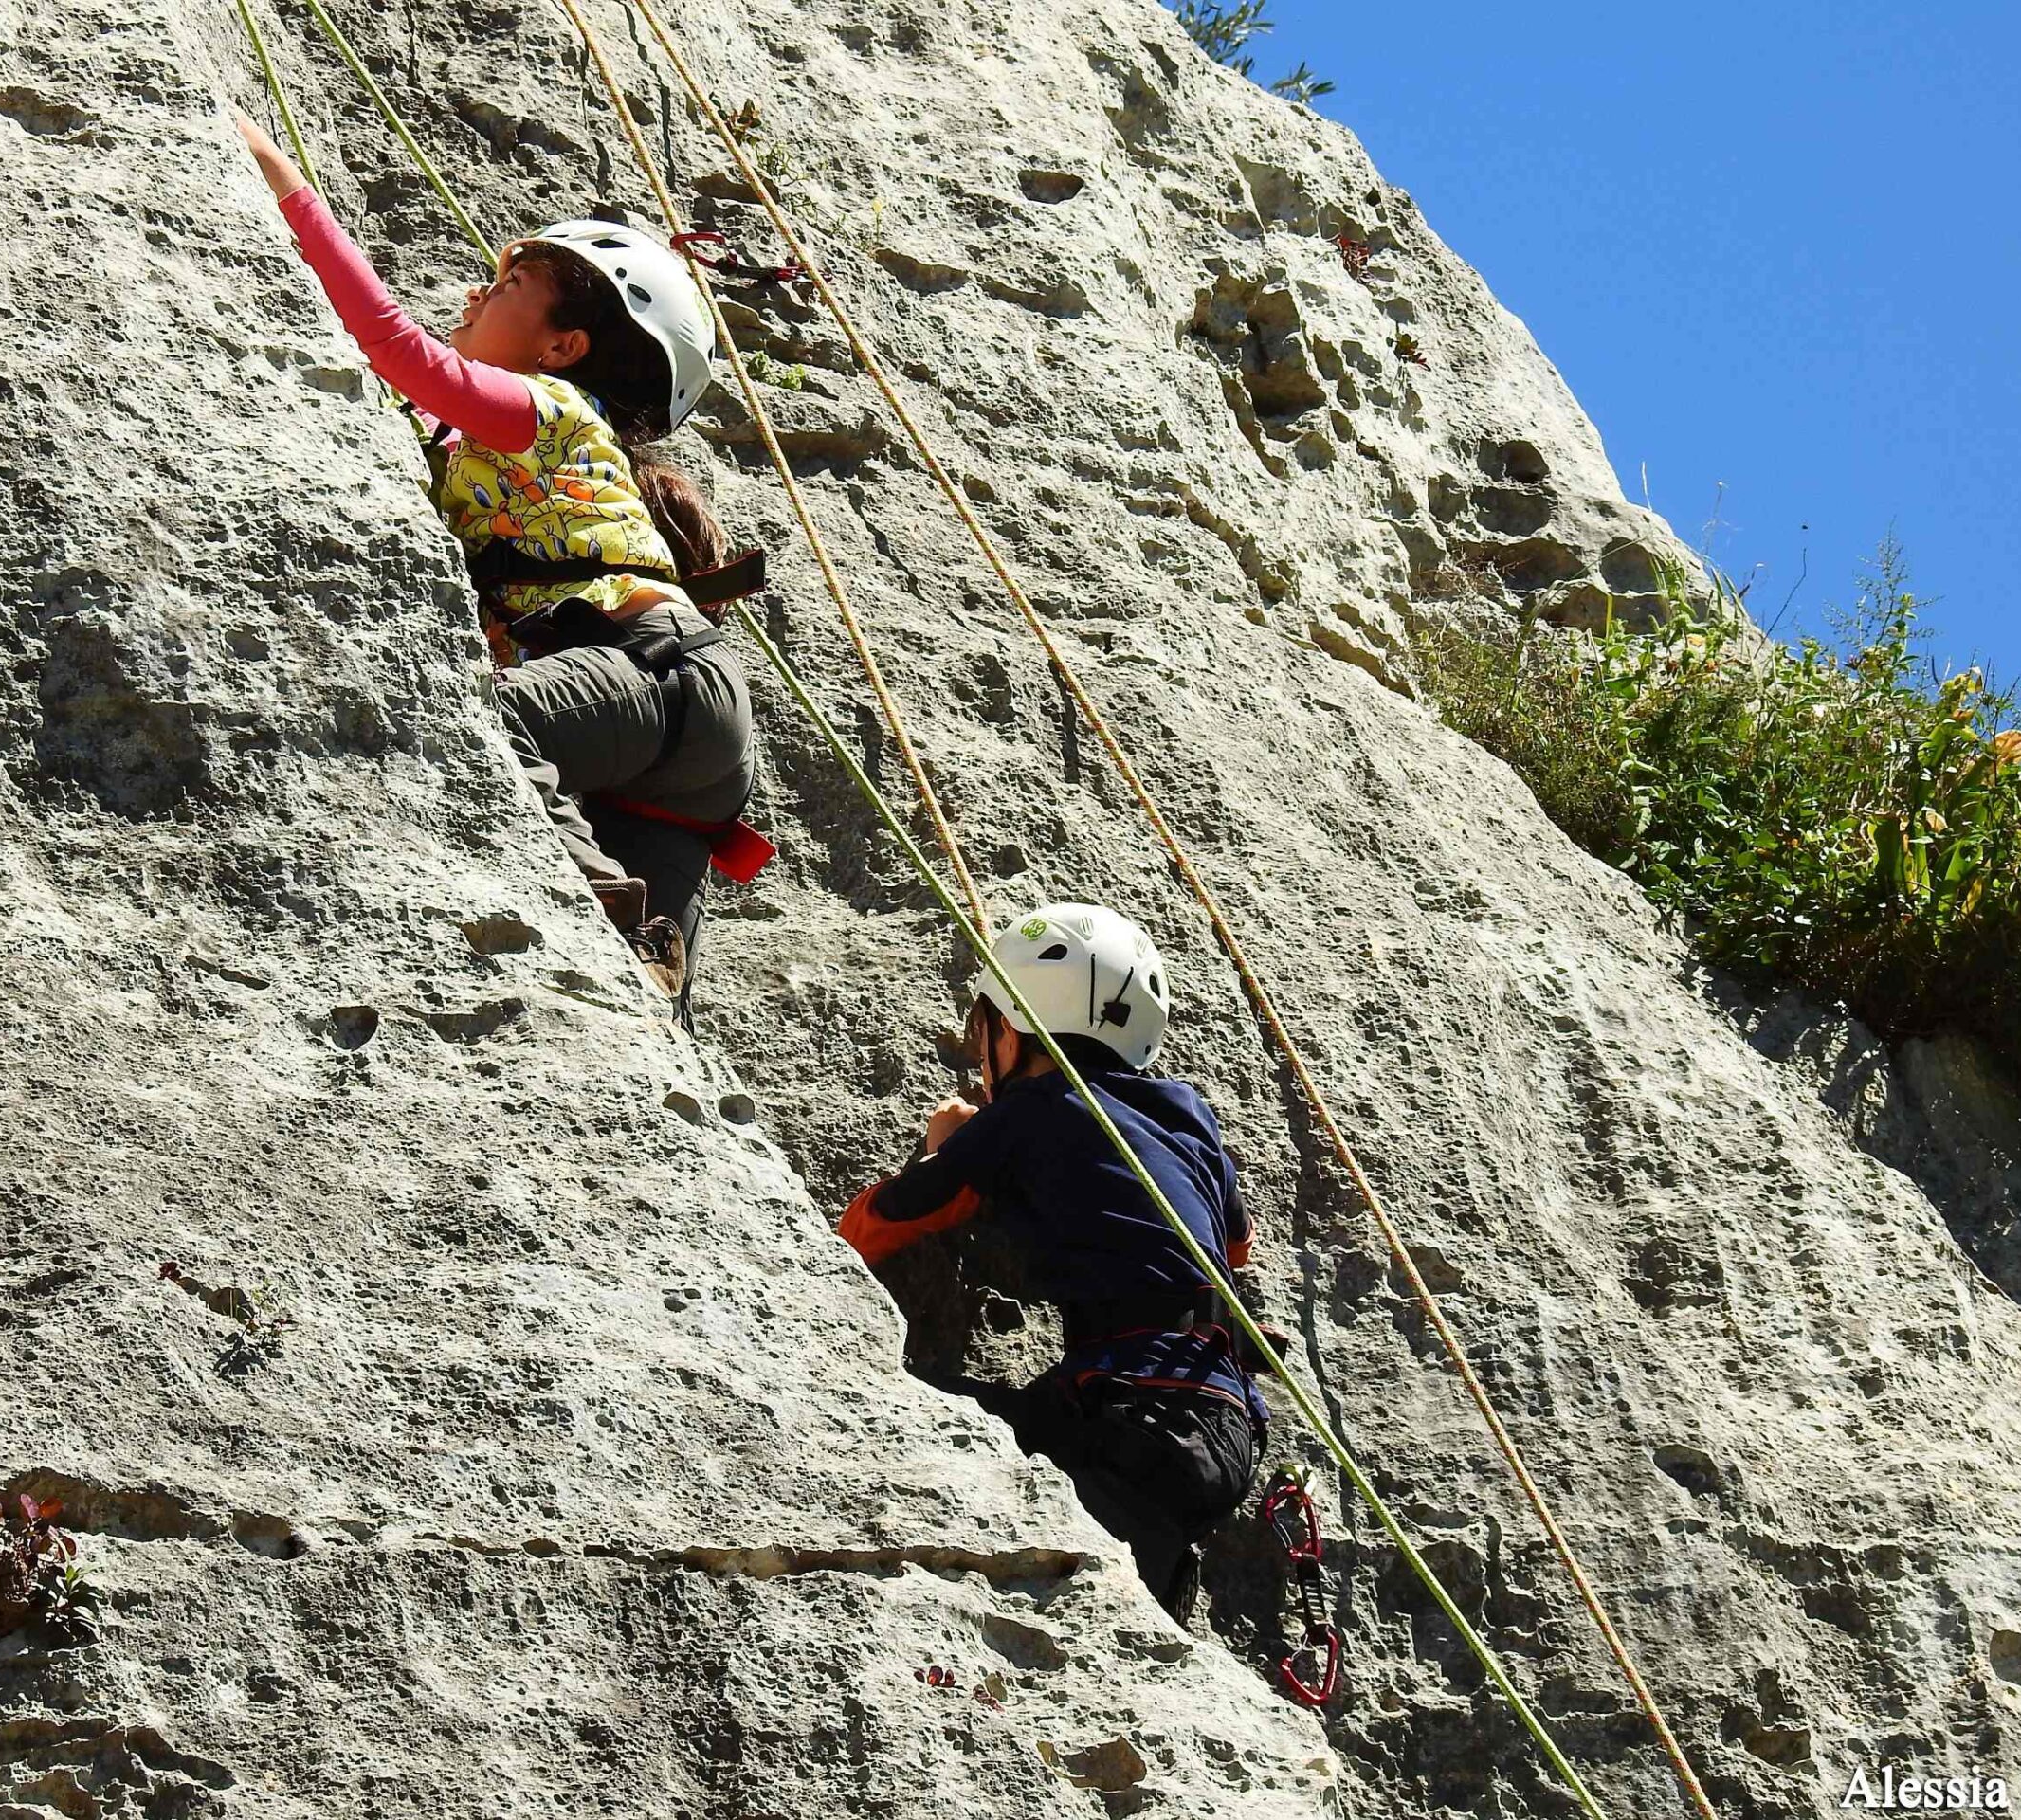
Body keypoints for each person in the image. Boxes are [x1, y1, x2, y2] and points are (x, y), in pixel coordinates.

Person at [232, 111, 762, 1017]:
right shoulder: (503, 454)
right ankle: (644, 971)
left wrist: (288, 189)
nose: (479, 294)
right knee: (653, 1011)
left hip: (646, 671)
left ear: (564, 349)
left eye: (511, 283)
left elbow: (400, 352)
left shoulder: (551, 410)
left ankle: (621, 923)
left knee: (485, 726)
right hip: (685, 733)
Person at [837, 903, 1266, 1620]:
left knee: (895, 1415)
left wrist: (945, 1148)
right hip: (1222, 1419)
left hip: (1131, 1420)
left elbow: (869, 1229)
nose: (981, 1053)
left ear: (1010, 1032)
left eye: (983, 1030)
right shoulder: (1187, 1111)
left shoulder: (1028, 1111)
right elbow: (1234, 1248)